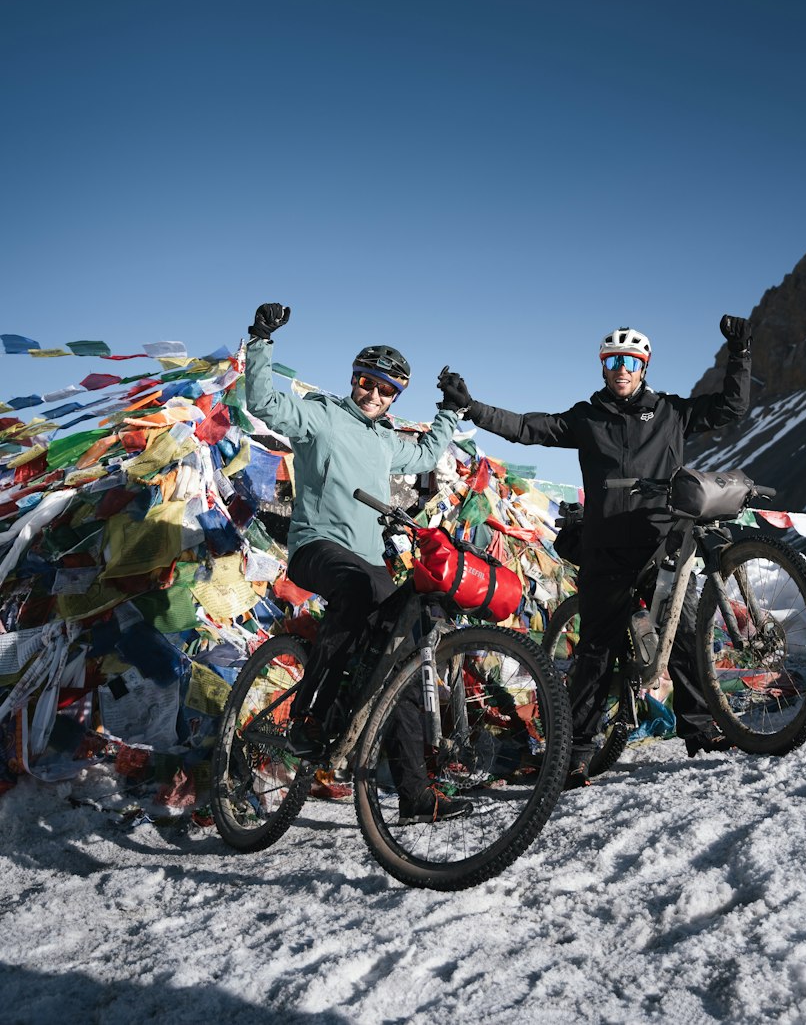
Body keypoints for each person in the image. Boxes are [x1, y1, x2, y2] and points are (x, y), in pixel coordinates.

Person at [437, 316, 752, 787]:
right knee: (597, 652)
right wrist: (472, 408)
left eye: (630, 361)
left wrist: (740, 354)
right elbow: (526, 427)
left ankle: (700, 728)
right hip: (606, 547)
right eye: (612, 362)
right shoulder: (586, 417)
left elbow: (731, 407)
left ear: (643, 367)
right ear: (603, 368)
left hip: (660, 540)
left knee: (683, 630)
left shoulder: (670, 412)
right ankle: (577, 752)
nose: (621, 369)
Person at [244, 302, 471, 823]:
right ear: (354, 378)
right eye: (366, 382)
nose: (373, 395)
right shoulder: (320, 414)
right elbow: (262, 400)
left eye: (386, 390)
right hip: (316, 546)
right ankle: (307, 715)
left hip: (371, 560)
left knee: (404, 658)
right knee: (354, 590)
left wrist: (451, 410)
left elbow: (427, 454)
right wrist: (260, 340)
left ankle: (416, 797)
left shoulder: (386, 441)